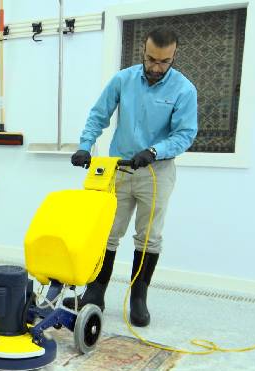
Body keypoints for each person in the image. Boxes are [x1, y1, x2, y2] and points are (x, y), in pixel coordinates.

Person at [66, 28, 198, 327]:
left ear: (173, 56)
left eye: (164, 62)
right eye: (151, 59)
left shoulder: (184, 90)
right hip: (120, 169)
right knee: (107, 233)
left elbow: (185, 134)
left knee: (149, 237)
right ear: (143, 50)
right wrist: (85, 146)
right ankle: (96, 291)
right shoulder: (123, 80)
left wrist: (155, 150)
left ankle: (138, 296)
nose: (155, 67)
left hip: (157, 172)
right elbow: (99, 115)